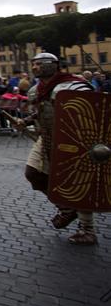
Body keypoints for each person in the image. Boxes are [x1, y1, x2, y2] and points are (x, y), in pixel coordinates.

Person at [17, 53, 97, 245]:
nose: (34, 67)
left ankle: (88, 229)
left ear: (52, 66)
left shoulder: (73, 85)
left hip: (74, 139)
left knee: (76, 181)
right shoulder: (37, 90)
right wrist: (27, 120)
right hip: (46, 137)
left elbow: (91, 109)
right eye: (33, 64)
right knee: (33, 173)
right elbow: (42, 110)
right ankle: (66, 209)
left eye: (39, 64)